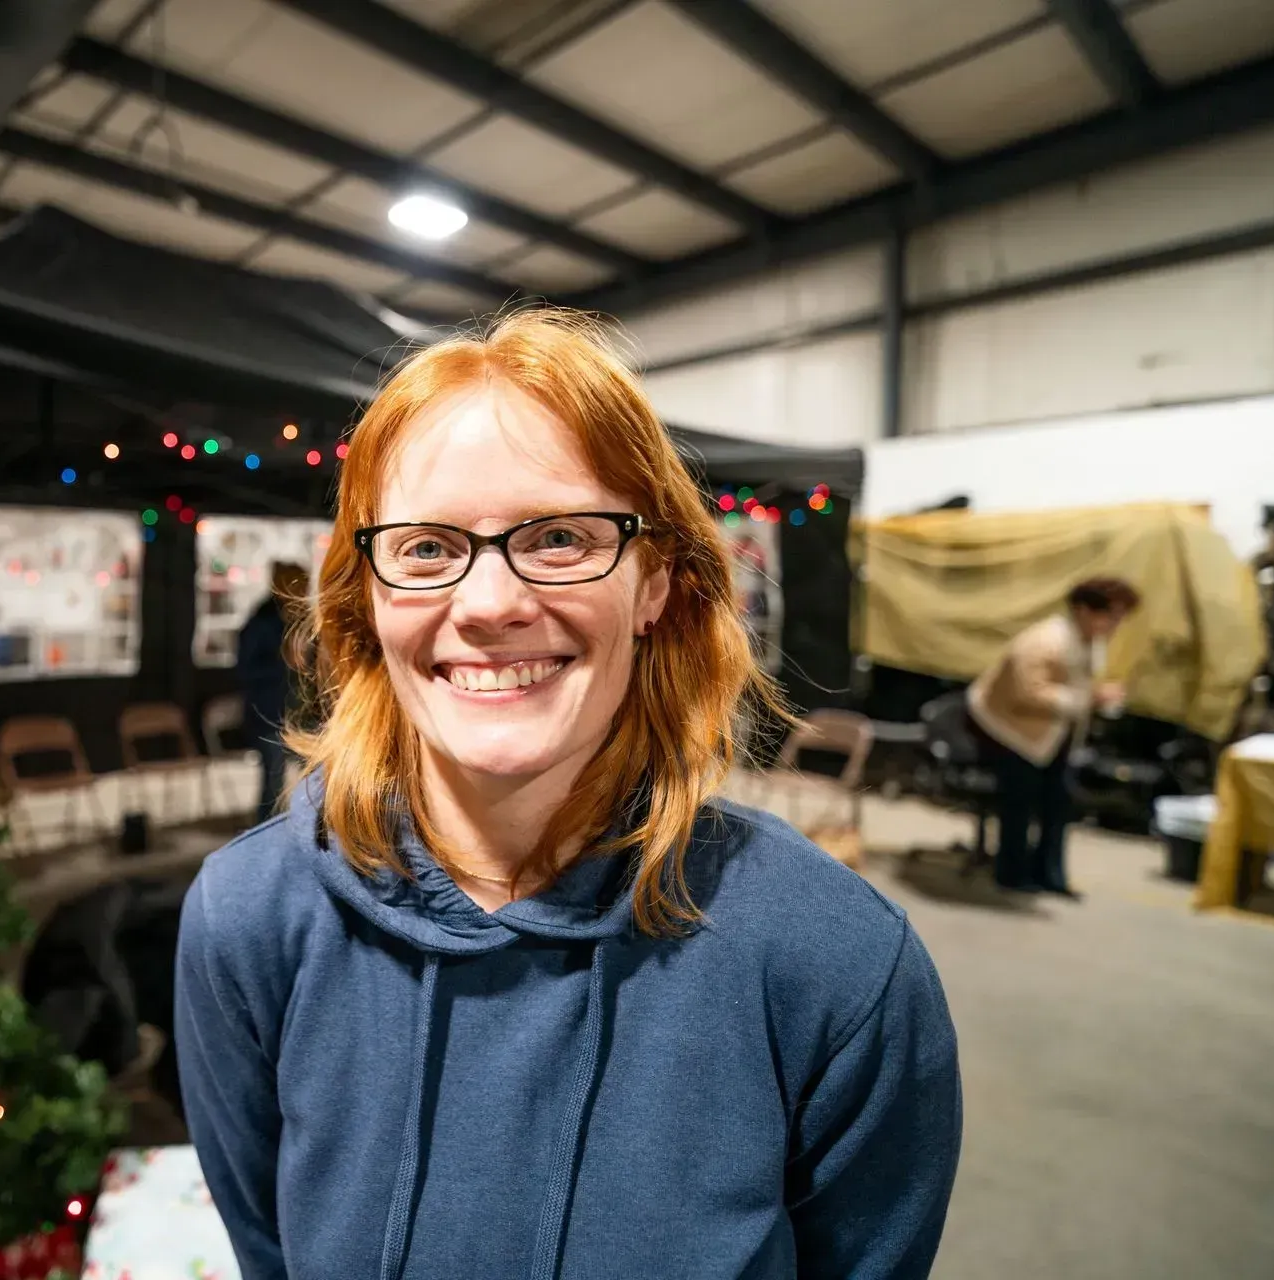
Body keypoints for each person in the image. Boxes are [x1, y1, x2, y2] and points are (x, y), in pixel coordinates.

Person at [175, 310, 961, 1279]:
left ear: (655, 585)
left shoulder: (834, 962)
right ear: (366, 601)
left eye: (556, 536)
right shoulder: (249, 921)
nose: (491, 602)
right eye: (425, 547)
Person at [967, 577, 1140, 896]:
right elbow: (1029, 693)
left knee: (1058, 802)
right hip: (1007, 726)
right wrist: (1090, 698)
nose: (1115, 626)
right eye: (1110, 616)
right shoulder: (1047, 640)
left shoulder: (1087, 640)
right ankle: (1013, 873)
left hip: (1049, 730)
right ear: (1083, 610)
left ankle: (1049, 873)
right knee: (1020, 800)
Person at [234, 561, 309, 825]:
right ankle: (267, 832)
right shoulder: (264, 620)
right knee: (273, 781)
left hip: (300, 713)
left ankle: (312, 827)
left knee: (314, 772)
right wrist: (281, 664)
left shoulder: (301, 619)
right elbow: (246, 668)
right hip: (269, 712)